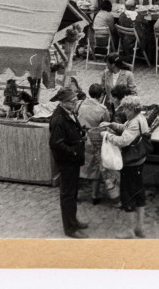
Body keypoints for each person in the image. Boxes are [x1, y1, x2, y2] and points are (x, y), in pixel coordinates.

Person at [103, 95, 150, 238]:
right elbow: (126, 128)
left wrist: (107, 135)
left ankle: (129, 230)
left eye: (125, 109)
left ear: (132, 108)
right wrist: (112, 125)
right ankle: (139, 227)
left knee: (127, 194)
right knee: (139, 192)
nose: (123, 111)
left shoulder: (134, 121)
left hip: (131, 163)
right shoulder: (139, 118)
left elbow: (124, 140)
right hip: (139, 161)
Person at [48, 87, 89, 238]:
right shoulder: (58, 119)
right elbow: (56, 143)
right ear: (64, 102)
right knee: (67, 195)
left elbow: (71, 131)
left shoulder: (68, 112)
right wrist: (72, 151)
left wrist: (81, 135)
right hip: (67, 162)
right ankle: (69, 228)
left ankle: (74, 221)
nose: (75, 103)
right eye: (73, 101)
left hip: (73, 160)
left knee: (73, 193)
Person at [77, 83, 111, 205]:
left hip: (81, 138)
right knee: (95, 167)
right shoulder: (102, 110)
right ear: (101, 95)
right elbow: (106, 126)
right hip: (94, 140)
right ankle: (95, 196)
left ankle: (75, 193)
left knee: (79, 166)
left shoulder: (80, 104)